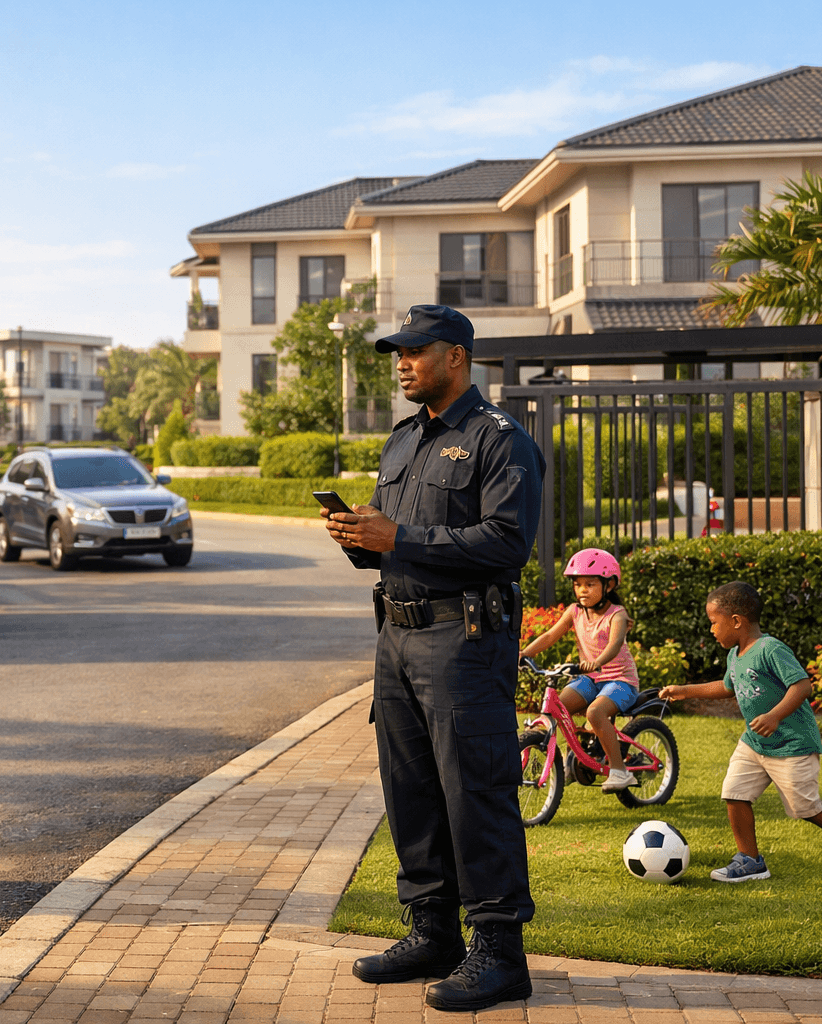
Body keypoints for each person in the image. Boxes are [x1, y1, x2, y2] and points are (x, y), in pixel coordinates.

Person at [323, 305, 542, 1011]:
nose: (402, 362)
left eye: (415, 350)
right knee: (411, 792)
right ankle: (433, 933)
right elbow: (398, 540)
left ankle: (500, 952)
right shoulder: (402, 442)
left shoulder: (499, 439)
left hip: (465, 642)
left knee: (474, 792)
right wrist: (362, 539)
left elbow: (508, 545)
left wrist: (402, 538)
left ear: (456, 356)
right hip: (398, 637)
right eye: (398, 351)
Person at [662, 581, 822, 882]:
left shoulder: (770, 648)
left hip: (792, 744)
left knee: (805, 807)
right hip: (755, 744)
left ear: (736, 621)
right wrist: (685, 691)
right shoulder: (735, 654)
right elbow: (727, 687)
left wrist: (775, 716)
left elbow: (803, 685)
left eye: (714, 622)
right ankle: (750, 860)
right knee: (734, 794)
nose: (711, 630)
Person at [519, 548, 640, 792]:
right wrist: (523, 654)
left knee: (595, 713)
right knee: (557, 711)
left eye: (590, 584)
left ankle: (620, 770)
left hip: (621, 680)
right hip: (590, 679)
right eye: (577, 584)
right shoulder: (575, 611)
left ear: (609, 585)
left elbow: (615, 645)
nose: (582, 590)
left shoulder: (617, 614)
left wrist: (597, 662)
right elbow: (551, 635)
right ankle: (576, 757)